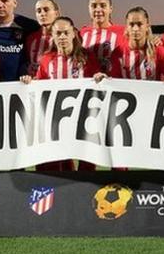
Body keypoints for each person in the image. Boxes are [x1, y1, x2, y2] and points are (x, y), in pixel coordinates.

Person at [21, 16, 103, 172]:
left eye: (66, 33)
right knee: (56, 163)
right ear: (52, 35)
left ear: (73, 34)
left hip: (83, 119)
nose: (62, 37)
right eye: (58, 33)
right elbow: (39, 88)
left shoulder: (87, 58)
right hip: (56, 120)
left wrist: (100, 78)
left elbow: (98, 84)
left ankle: (85, 190)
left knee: (87, 161)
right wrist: (28, 82)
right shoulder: (46, 59)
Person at [108, 7, 164, 83]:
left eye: (139, 24)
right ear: (127, 27)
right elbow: (114, 82)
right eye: (131, 24)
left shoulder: (159, 51)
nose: (135, 29)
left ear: (147, 26)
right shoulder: (118, 53)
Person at [81, 0, 127, 72]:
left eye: (103, 5)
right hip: (89, 83)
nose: (98, 10)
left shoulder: (124, 31)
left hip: (114, 82)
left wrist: (154, 40)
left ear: (111, 9)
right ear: (89, 9)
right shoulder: (82, 33)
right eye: (94, 6)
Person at [24, 0, 60, 79]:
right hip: (34, 86)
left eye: (46, 10)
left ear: (56, 13)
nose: (42, 14)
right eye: (39, 11)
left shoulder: (64, 36)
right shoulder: (30, 38)